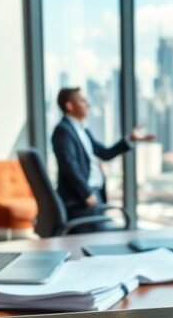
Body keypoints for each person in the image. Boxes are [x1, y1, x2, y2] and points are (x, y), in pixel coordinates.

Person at [52, 87, 153, 230]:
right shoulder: (63, 131)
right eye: (83, 101)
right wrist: (86, 193)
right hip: (81, 201)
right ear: (69, 106)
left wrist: (130, 139)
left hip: (93, 195)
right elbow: (69, 165)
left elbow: (105, 153)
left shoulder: (82, 130)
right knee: (125, 232)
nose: (88, 105)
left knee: (121, 229)